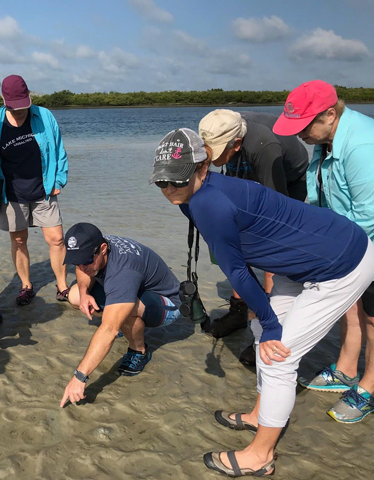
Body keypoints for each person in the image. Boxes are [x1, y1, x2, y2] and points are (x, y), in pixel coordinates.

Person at [152, 127, 374, 477]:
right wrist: (262, 316)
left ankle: (261, 455)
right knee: (260, 334)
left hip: (341, 263)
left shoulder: (210, 202)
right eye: (162, 183)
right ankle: (260, 416)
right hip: (303, 258)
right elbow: (244, 254)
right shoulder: (192, 197)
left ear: (203, 166)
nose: (169, 191)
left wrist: (272, 323)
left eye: (177, 181)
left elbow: (237, 271)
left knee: (277, 355)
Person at [273, 80, 374, 423]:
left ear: (330, 114)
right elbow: (319, 195)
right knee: (352, 303)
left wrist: (328, 245)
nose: (299, 134)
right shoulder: (325, 138)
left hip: (367, 234)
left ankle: (369, 387)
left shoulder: (362, 144)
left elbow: (369, 214)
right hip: (349, 235)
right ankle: (346, 368)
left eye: (303, 126)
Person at [198, 109, 309, 348]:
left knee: (272, 248)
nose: (208, 160)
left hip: (288, 178)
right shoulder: (220, 127)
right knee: (232, 240)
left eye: (213, 155)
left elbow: (277, 216)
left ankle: (270, 324)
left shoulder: (264, 146)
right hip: (245, 164)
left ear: (236, 144)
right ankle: (240, 312)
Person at [59, 222, 181, 405]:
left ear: (103, 249)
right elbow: (81, 267)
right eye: (77, 261)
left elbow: (108, 329)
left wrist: (79, 377)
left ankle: (139, 351)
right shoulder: (95, 246)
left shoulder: (123, 270)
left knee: (117, 317)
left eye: (87, 261)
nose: (82, 266)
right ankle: (125, 320)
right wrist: (84, 292)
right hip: (137, 290)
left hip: (167, 304)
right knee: (75, 295)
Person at [0, 75, 69, 305]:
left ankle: (62, 286)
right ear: (4, 100)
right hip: (11, 192)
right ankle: (26, 285)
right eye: (14, 108)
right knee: (18, 241)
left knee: (56, 239)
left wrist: (59, 180)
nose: (20, 111)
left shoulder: (44, 116)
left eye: (23, 106)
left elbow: (58, 148)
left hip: (44, 188)